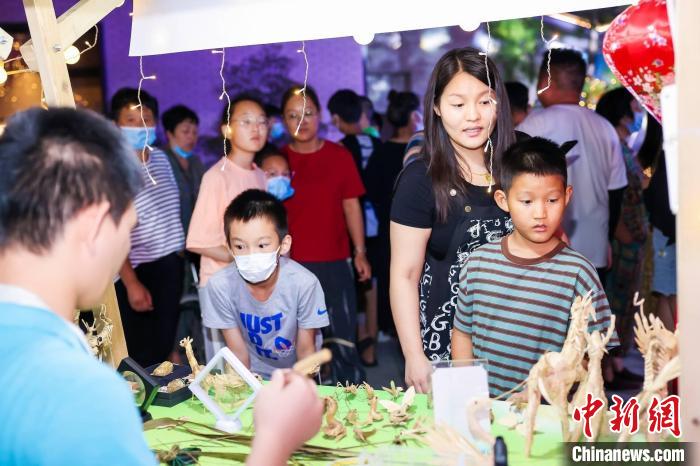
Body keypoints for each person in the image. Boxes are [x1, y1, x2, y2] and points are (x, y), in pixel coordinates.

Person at [0, 107, 323, 466]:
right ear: (93, 227)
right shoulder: (81, 394)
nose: (126, 247)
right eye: (128, 227)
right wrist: (275, 439)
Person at [390, 47, 516, 393]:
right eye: (458, 104)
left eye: (485, 101)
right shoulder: (420, 179)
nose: (473, 116)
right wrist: (414, 355)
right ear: (436, 108)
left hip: (519, 337)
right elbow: (404, 275)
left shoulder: (521, 163)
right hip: (444, 347)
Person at [451, 137, 618, 397]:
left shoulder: (578, 272)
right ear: (503, 200)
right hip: (485, 408)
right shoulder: (478, 263)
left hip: (547, 412)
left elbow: (595, 350)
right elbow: (462, 334)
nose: (540, 213)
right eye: (526, 202)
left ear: (567, 196)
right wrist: (463, 392)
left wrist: (563, 378)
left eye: (551, 200)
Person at [281, 85, 370, 384]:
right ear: (282, 121)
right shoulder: (276, 162)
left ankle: (352, 396)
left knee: (342, 335)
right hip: (291, 267)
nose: (301, 121)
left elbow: (352, 206)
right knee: (300, 342)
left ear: (321, 117)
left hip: (334, 260)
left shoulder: (338, 155)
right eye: (293, 115)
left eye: (308, 113)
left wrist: (360, 252)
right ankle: (305, 401)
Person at [517, 49, 628, 284]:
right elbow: (616, 192)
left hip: (546, 255)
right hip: (594, 251)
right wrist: (606, 239)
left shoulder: (533, 125)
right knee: (589, 319)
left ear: (545, 80)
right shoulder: (605, 128)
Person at [203, 189, 328, 378]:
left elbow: (306, 350)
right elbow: (238, 354)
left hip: (299, 372)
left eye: (262, 245)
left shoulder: (304, 284)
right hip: (252, 375)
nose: (251, 254)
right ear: (229, 247)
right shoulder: (220, 286)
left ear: (283, 245)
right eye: (240, 246)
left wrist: (296, 390)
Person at [187, 95, 268, 361]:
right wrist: (246, 256)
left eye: (261, 121)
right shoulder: (216, 176)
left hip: (254, 283)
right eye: (245, 122)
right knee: (228, 368)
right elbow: (196, 241)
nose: (256, 128)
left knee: (256, 363)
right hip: (222, 286)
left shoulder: (260, 175)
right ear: (227, 129)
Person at [111, 88, 185, 368]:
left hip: (170, 265)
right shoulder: (115, 169)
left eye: (146, 117)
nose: (140, 124)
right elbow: (113, 232)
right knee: (144, 351)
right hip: (142, 269)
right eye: (130, 119)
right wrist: (131, 283)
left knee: (164, 344)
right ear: (116, 126)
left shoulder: (162, 159)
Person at [363, 90, 422, 358]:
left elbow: (370, 192)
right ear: (413, 116)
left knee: (395, 280)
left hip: (388, 229)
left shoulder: (380, 152)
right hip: (420, 230)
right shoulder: (424, 153)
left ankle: (399, 338)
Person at [595, 88, 648, 382]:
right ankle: (608, 368)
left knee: (625, 300)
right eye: (633, 103)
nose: (638, 109)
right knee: (614, 301)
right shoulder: (612, 140)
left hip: (633, 233)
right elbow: (612, 190)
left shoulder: (622, 141)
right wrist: (620, 230)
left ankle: (614, 365)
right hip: (623, 234)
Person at [327, 89, 381, 367]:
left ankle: (358, 338)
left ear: (336, 118)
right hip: (378, 223)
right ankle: (370, 343)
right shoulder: (377, 143)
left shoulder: (338, 149)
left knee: (355, 284)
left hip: (352, 225)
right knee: (371, 283)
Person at [161, 104, 207, 363]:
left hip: (196, 245)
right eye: (185, 131)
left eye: (194, 131)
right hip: (173, 245)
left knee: (193, 303)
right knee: (174, 304)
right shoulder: (161, 159)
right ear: (169, 132)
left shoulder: (197, 162)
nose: (191, 136)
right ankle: (172, 356)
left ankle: (192, 355)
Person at [641, 118, 676, 332]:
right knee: (671, 291)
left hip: (667, 230)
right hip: (673, 231)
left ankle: (672, 358)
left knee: (667, 292)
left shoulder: (667, 150)